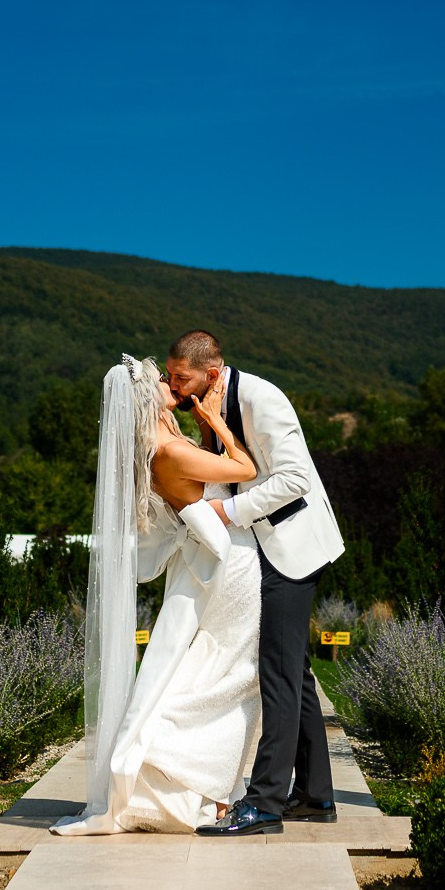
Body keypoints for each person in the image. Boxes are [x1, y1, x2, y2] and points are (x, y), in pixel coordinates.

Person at [52, 354, 265, 834]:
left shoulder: (166, 444)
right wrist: (217, 423)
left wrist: (202, 429)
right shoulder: (168, 452)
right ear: (146, 397)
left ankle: (207, 785)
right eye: (160, 379)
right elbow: (245, 469)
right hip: (228, 567)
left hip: (219, 561)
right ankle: (190, 778)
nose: (170, 382)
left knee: (219, 672)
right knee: (229, 676)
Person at [164, 330, 347, 836]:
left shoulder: (261, 398)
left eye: (181, 378)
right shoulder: (208, 406)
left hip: (293, 547)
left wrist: (227, 513)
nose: (174, 386)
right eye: (171, 377)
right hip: (260, 551)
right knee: (295, 672)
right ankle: (315, 796)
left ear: (212, 373)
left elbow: (294, 480)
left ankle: (265, 804)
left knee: (277, 673)